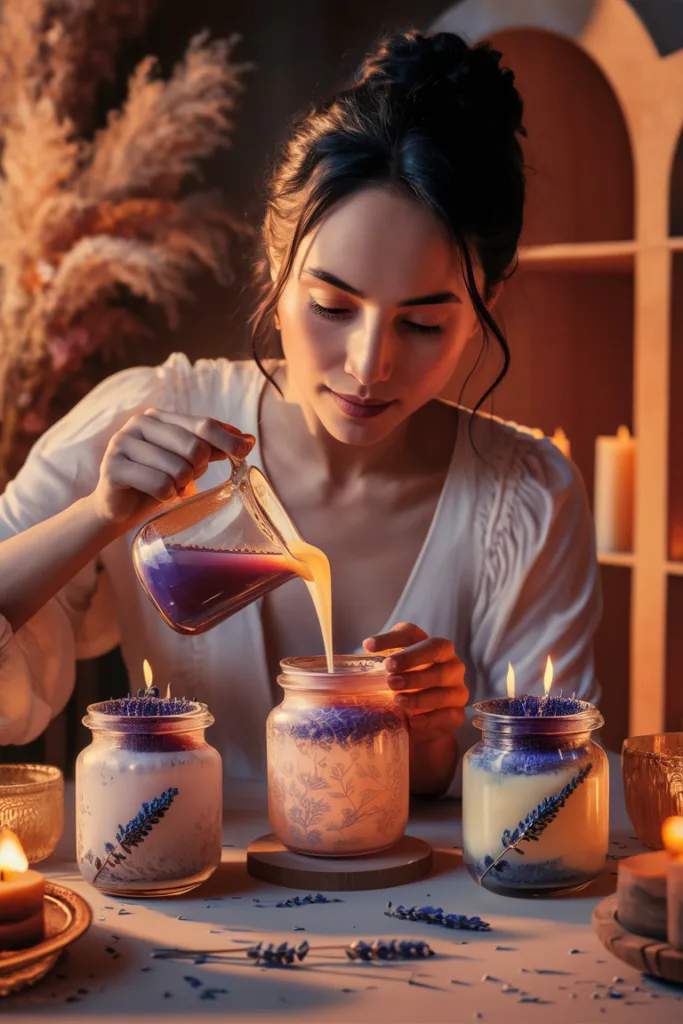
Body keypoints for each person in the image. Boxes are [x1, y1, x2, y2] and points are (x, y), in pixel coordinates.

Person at [0, 30, 601, 798]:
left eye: (423, 324)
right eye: (330, 305)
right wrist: (97, 514)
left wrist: (431, 737)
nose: (367, 365)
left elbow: (551, 798)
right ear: (273, 266)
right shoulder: (150, 416)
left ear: (487, 304)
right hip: (187, 889)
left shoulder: (527, 498)